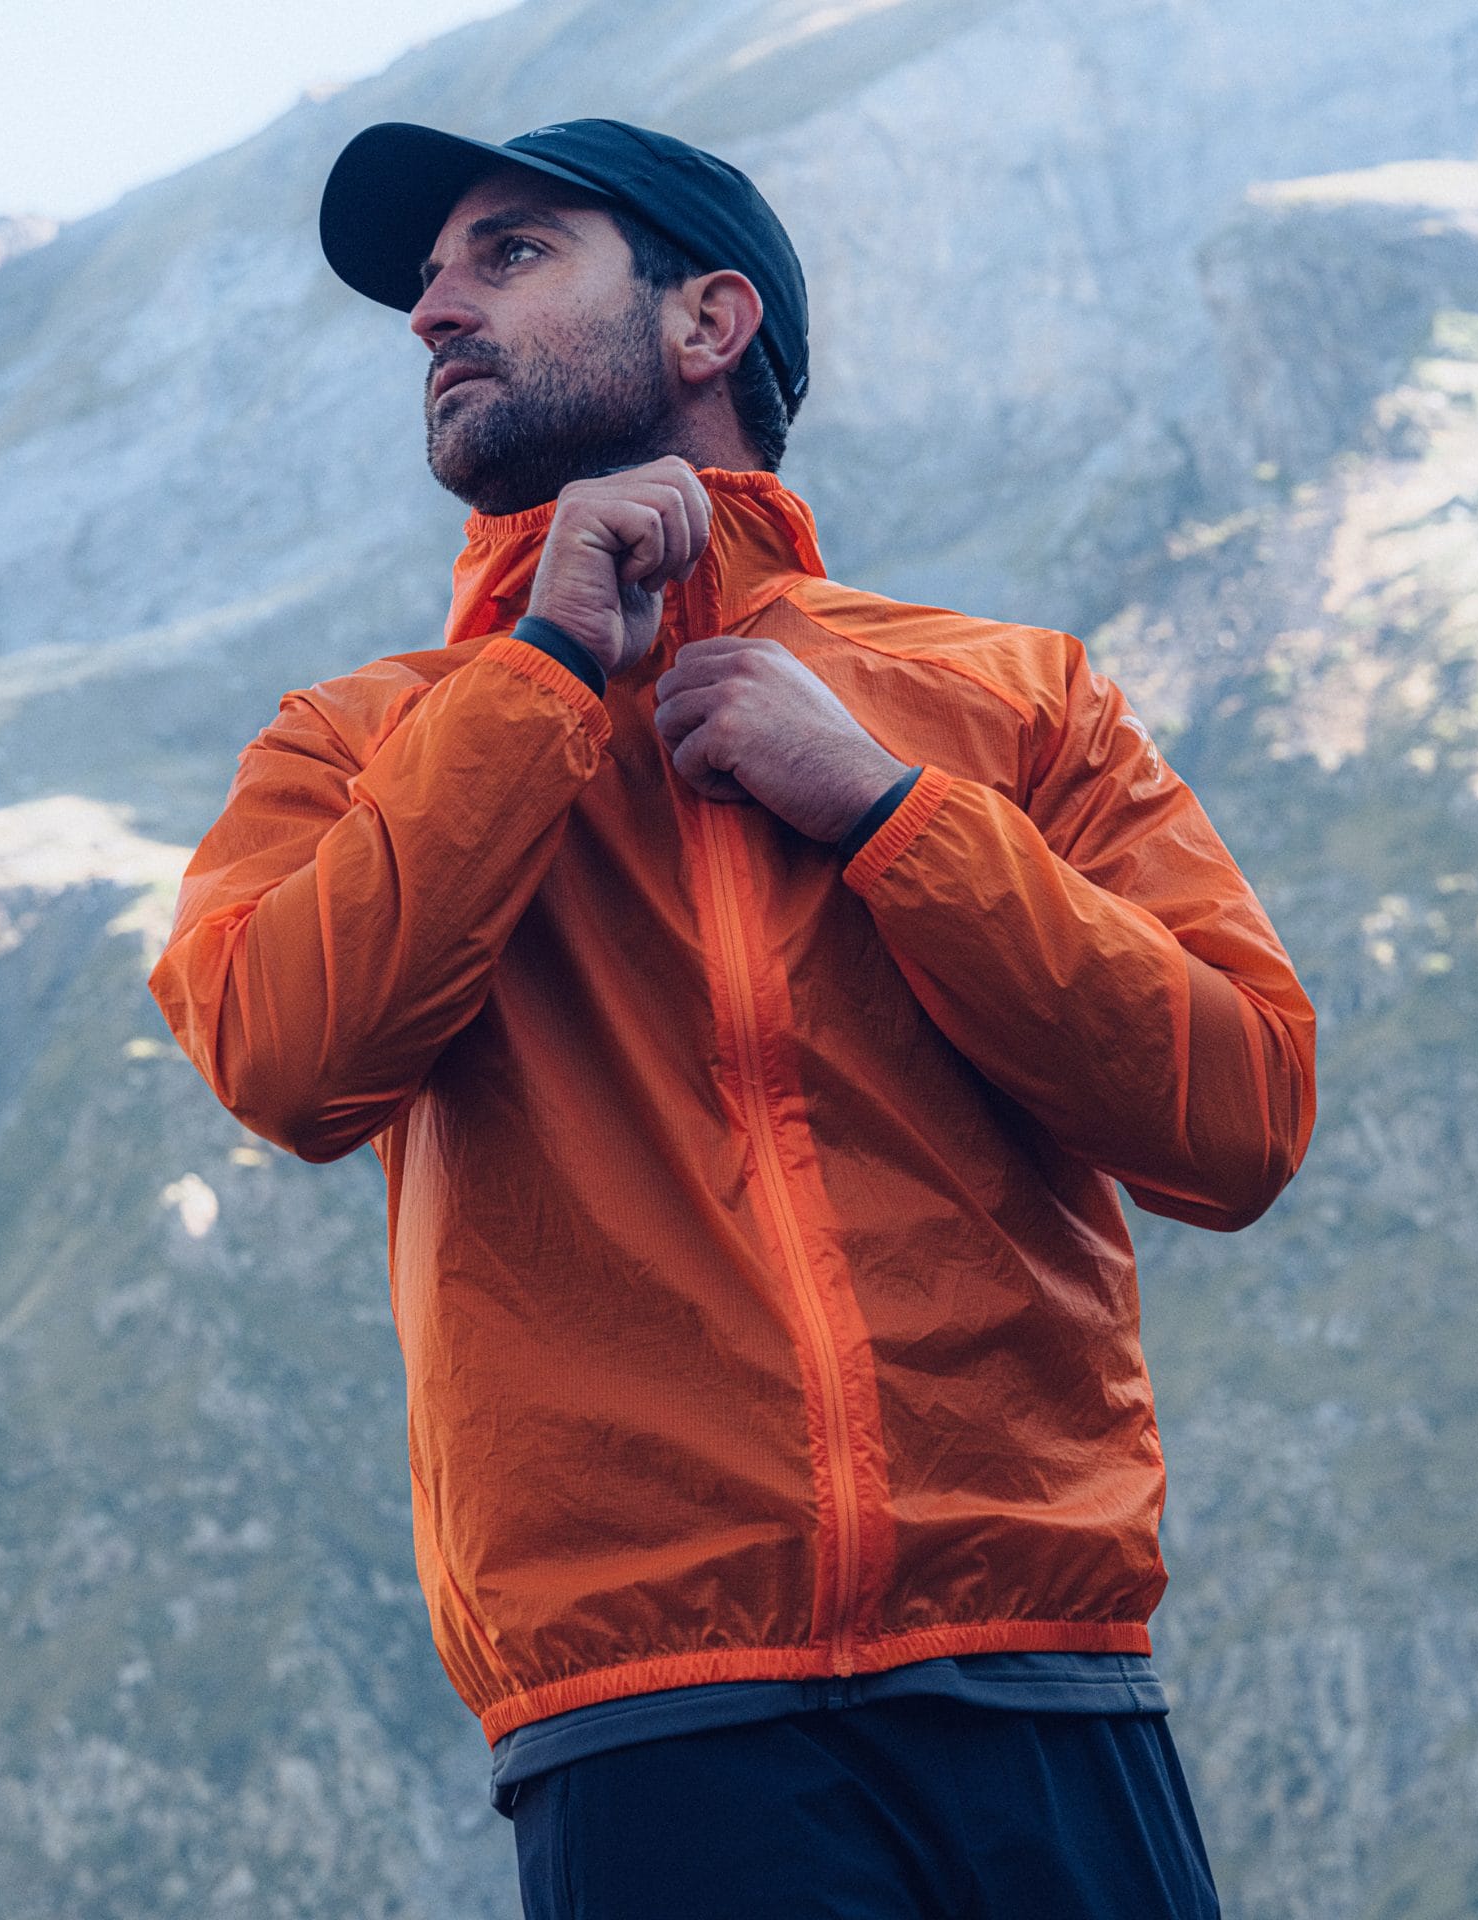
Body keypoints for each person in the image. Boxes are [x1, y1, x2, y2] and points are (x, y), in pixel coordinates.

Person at [150, 116, 1316, 1920]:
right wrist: (541, 673)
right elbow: (288, 1060)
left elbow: (1239, 1118)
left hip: (1042, 1676)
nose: (431, 312)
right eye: (429, 276)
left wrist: (884, 810)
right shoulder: (359, 740)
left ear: (707, 320)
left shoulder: (1011, 700)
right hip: (650, 1729)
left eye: (510, 254)